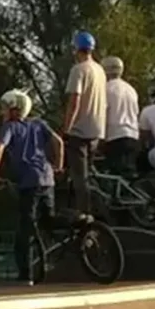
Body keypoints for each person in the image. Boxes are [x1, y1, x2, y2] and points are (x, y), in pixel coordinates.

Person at [0, 89, 64, 285]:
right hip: (47, 178)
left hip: (28, 182)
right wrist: (58, 166)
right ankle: (79, 222)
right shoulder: (39, 124)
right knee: (49, 220)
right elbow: (58, 142)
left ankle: (25, 274)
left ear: (16, 109)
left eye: (6, 108)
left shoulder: (10, 127)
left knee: (24, 229)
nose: (3, 112)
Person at [61, 31, 107, 215]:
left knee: (80, 178)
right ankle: (98, 211)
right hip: (97, 130)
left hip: (80, 130)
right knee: (90, 175)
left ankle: (85, 216)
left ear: (76, 49)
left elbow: (75, 102)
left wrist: (66, 128)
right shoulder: (100, 70)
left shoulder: (78, 70)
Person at [101, 56, 139, 177]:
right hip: (133, 135)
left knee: (114, 173)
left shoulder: (105, 88)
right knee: (128, 174)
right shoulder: (131, 89)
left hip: (115, 135)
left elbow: (102, 113)